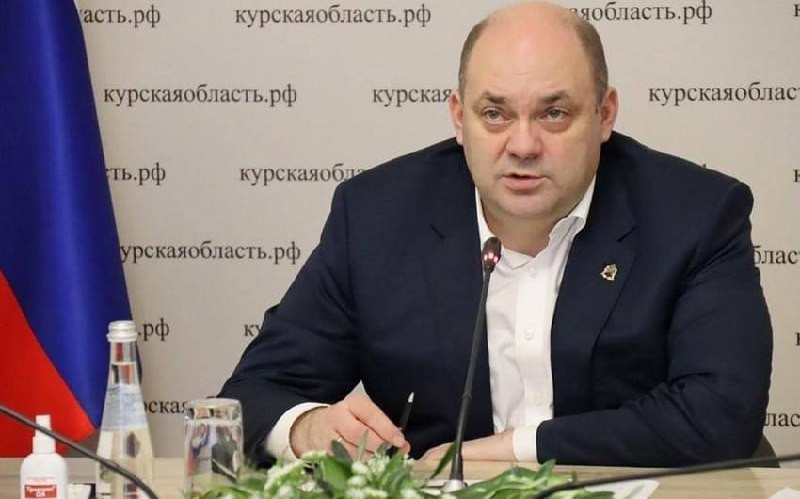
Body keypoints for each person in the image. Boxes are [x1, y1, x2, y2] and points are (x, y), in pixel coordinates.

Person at [220, 1, 772, 467]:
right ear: (458, 118)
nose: (523, 145)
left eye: (554, 114)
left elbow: (721, 414)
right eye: (494, 114)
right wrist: (309, 428)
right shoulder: (374, 218)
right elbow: (252, 396)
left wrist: (510, 449)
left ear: (605, 115)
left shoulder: (697, 215)